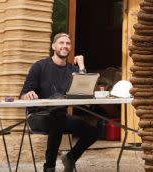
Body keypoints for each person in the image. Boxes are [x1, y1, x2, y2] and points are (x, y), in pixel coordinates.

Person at [20, 33, 99, 172]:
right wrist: (28, 94)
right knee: (57, 120)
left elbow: (84, 93)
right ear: (53, 46)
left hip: (60, 116)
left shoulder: (73, 70)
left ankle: (71, 157)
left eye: (68, 43)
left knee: (92, 131)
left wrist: (81, 66)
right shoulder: (39, 66)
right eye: (61, 43)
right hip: (37, 116)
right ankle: (49, 168)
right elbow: (23, 93)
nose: (65, 46)